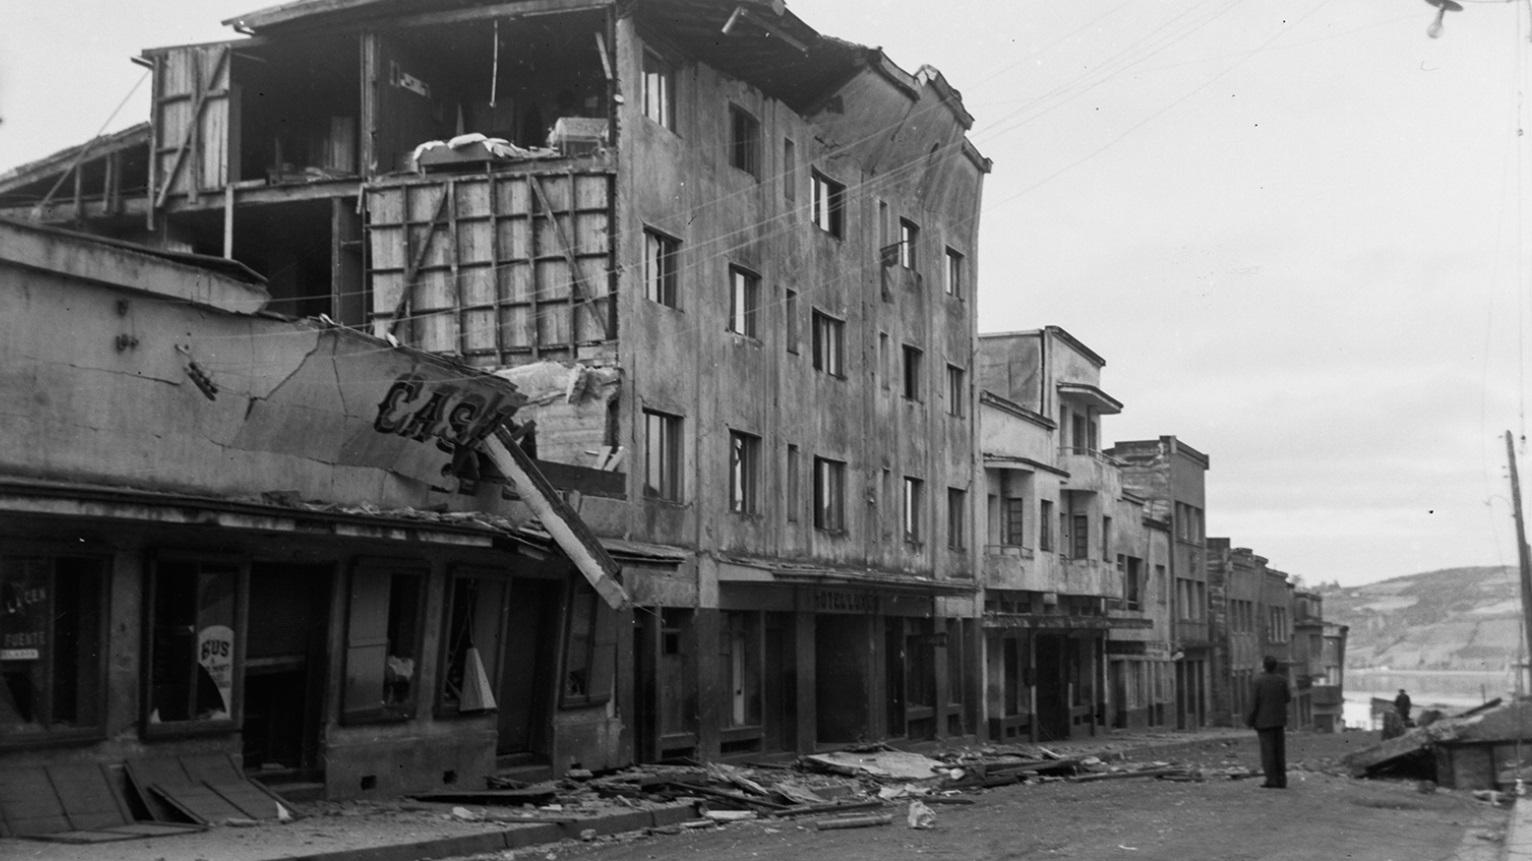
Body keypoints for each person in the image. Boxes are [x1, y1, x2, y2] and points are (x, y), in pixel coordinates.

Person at [1247, 656, 1292, 788]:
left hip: (1264, 722)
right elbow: (1287, 698)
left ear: (1264, 666)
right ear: (1275, 666)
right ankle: (1282, 780)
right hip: (1279, 721)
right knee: (1279, 751)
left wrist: (1250, 720)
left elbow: (1253, 703)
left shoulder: (1258, 682)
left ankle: (1271, 780)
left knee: (1268, 752)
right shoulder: (1282, 681)